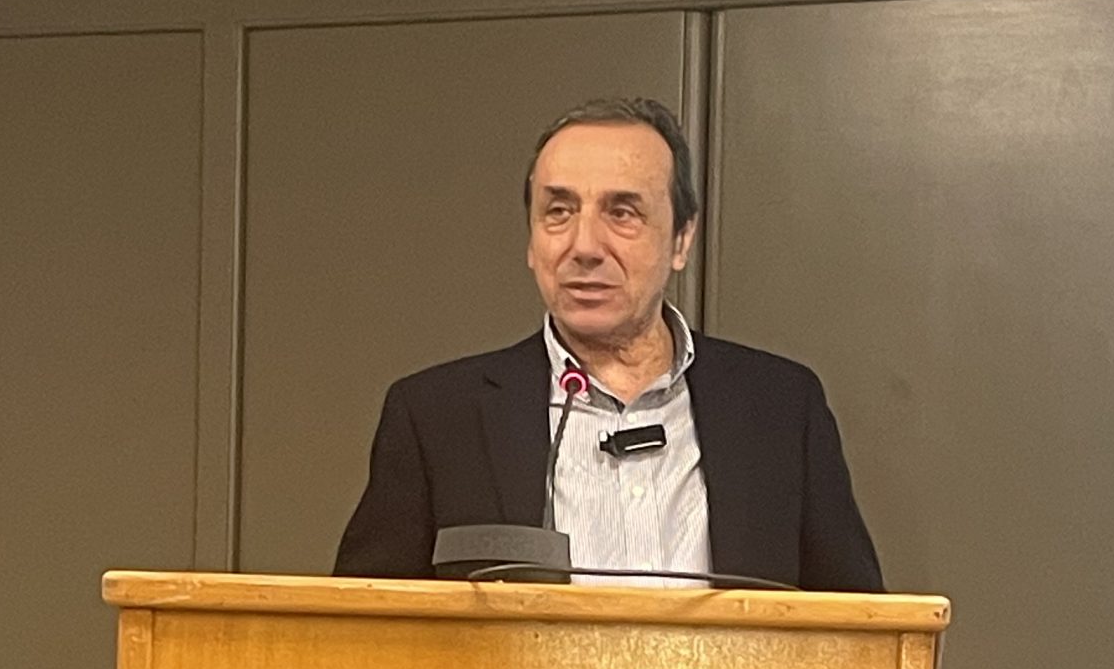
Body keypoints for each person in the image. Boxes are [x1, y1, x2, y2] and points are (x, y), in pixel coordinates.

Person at [333, 96, 883, 590]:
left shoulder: (780, 408)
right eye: (559, 212)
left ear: (681, 239)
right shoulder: (437, 416)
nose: (585, 246)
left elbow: (860, 630)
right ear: (531, 240)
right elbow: (361, 633)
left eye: (622, 213)